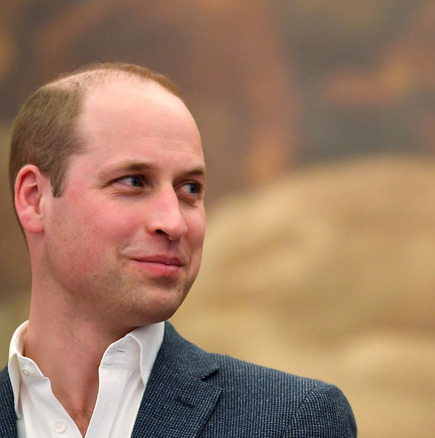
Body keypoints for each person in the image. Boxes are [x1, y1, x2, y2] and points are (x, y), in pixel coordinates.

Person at [1, 63, 357, 437]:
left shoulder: (292, 420)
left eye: (189, 189)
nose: (174, 223)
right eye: (134, 181)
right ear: (35, 199)